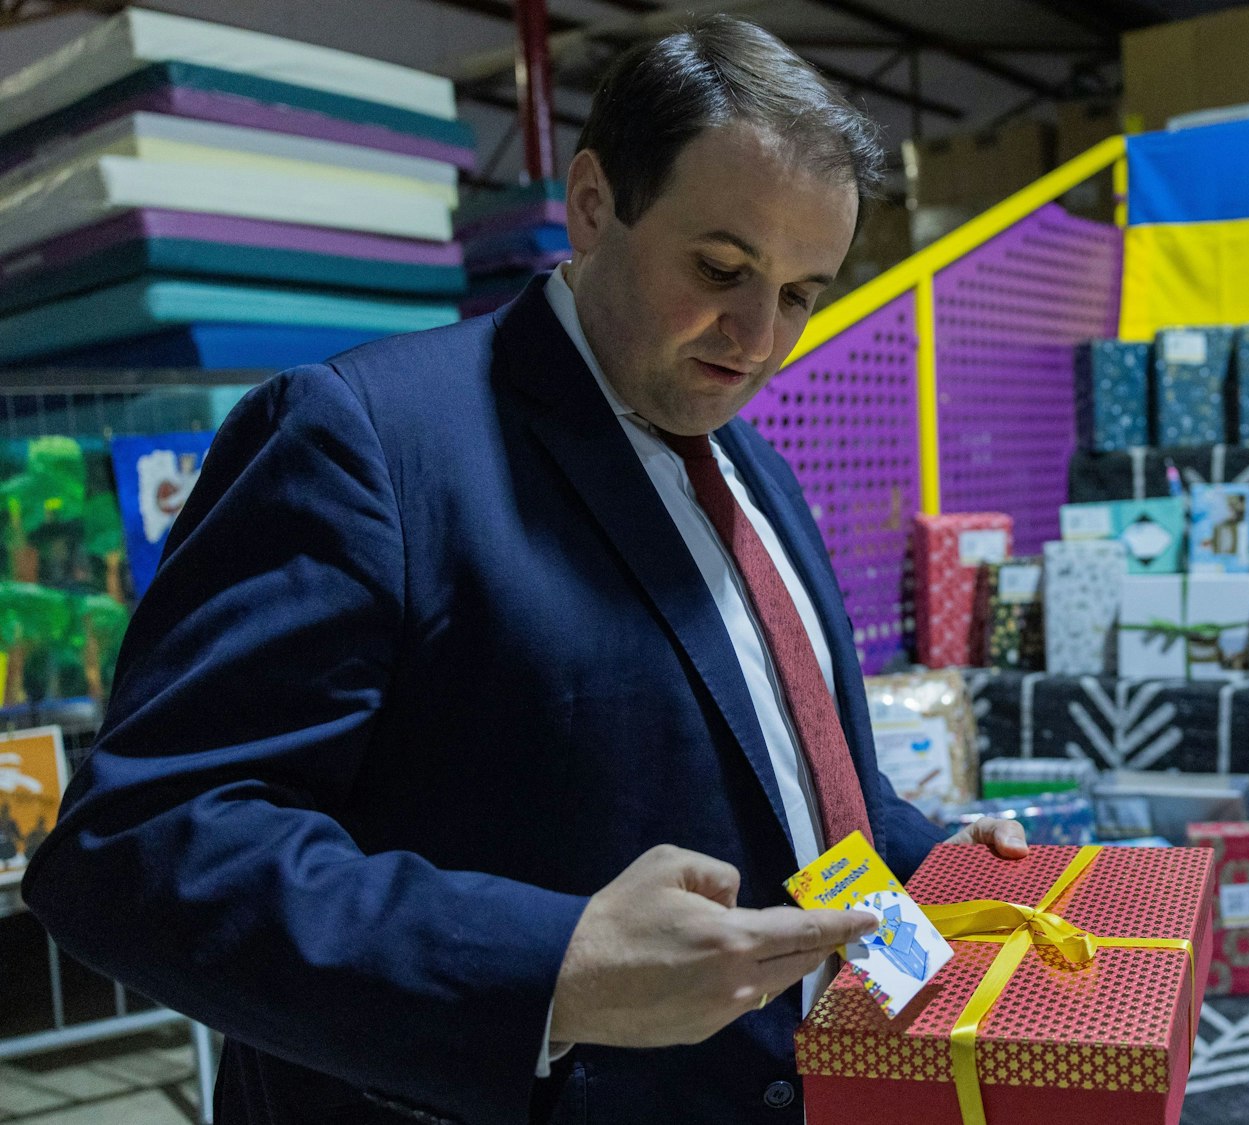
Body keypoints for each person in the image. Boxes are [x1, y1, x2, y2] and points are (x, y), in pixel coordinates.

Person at [24, 17, 1027, 1125]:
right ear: (592, 204)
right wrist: (552, 967)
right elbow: (138, 845)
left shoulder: (754, 473)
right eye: (720, 268)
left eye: (799, 293)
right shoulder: (367, 442)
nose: (756, 337)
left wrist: (928, 859)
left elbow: (787, 787)